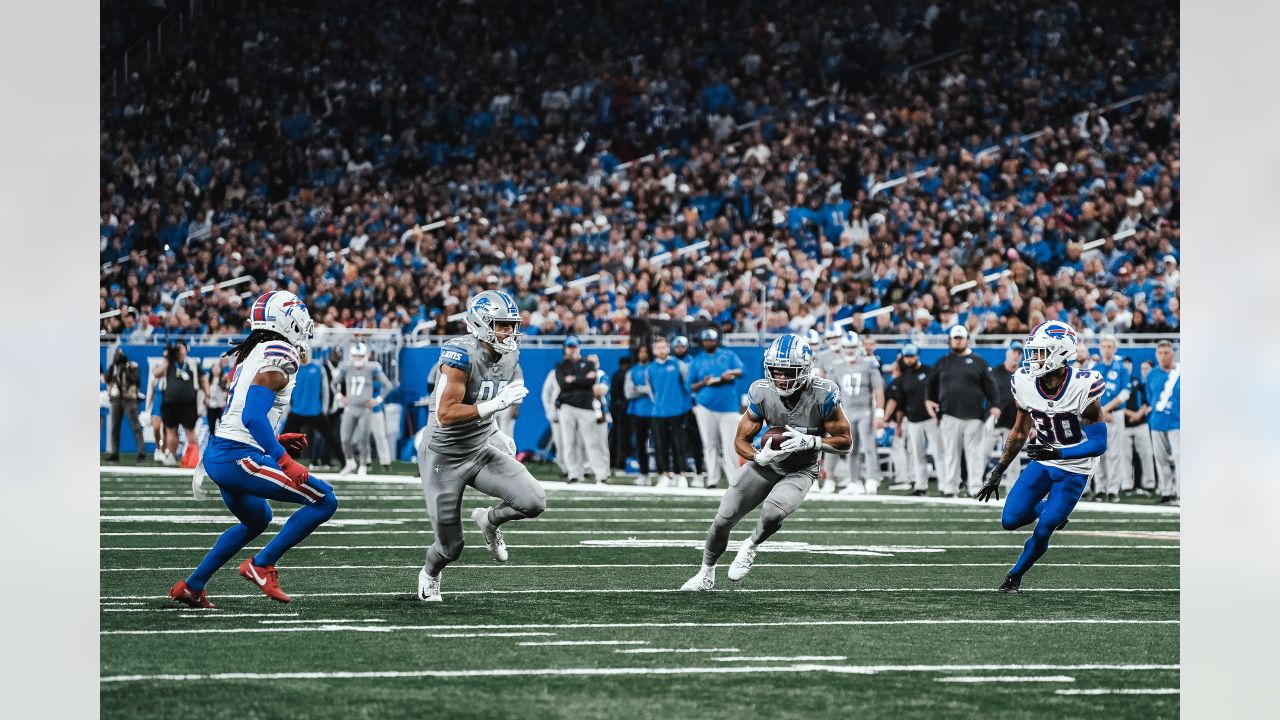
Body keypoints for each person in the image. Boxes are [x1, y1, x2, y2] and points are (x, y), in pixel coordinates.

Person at [169, 290, 338, 608]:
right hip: (238, 456)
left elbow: (244, 414)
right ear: (290, 320)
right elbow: (251, 416)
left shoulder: (257, 348)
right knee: (325, 500)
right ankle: (263, 565)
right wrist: (284, 460)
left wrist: (276, 439)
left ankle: (192, 587)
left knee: (258, 518)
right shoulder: (282, 354)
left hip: (221, 453)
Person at [680, 333, 852, 591]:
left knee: (773, 512)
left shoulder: (823, 394)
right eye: (776, 370)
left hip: (801, 469)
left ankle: (750, 546)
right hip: (768, 463)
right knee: (723, 518)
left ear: (805, 370)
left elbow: (845, 441)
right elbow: (741, 440)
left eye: (787, 371)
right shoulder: (761, 391)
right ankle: (706, 573)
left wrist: (813, 442)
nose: (780, 377)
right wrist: (757, 456)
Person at [417, 290, 545, 602]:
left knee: (533, 501)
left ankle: (488, 520)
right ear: (481, 323)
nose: (509, 332)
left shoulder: (510, 354)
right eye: (502, 325)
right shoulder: (460, 354)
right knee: (451, 547)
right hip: (443, 457)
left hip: (478, 449)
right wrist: (495, 407)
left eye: (512, 325)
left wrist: (495, 430)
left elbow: (484, 396)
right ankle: (430, 574)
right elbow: (446, 414)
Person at [975, 320, 1108, 593]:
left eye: (1040, 352)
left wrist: (1057, 451)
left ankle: (1015, 575)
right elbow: (1019, 432)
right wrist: (998, 471)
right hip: (1045, 461)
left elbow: (1098, 443)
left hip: (1075, 467)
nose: (1033, 358)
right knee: (1010, 520)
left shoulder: (1083, 385)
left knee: (1045, 527)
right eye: (1033, 352)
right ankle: (1052, 510)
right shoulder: (1024, 382)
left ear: (1059, 353)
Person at [927, 326, 1001, 497]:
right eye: (955, 338)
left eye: (961, 338)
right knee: (950, 454)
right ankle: (950, 488)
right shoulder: (943, 362)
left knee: (974, 454)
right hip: (949, 414)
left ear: (967, 339)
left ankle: (975, 488)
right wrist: (928, 402)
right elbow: (930, 384)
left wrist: (995, 405)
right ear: (950, 340)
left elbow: (992, 387)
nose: (958, 341)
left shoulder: (979, 362)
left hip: (974, 416)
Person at [825, 331, 885, 494]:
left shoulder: (868, 364)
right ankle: (853, 481)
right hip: (847, 414)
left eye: (852, 347)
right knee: (852, 449)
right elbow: (831, 393)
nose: (850, 350)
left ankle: (872, 478)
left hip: (865, 412)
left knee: (869, 447)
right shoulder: (836, 366)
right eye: (847, 347)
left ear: (858, 347)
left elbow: (878, 390)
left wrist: (879, 413)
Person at [687, 327, 746, 489]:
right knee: (709, 443)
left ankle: (734, 479)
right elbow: (691, 386)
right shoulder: (697, 360)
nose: (708, 343)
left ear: (717, 341)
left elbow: (742, 370)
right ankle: (712, 479)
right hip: (705, 405)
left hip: (728, 406)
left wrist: (730, 373)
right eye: (706, 340)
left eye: (711, 340)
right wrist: (703, 383)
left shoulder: (728, 355)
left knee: (730, 444)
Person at [332, 342, 396, 476]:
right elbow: (333, 383)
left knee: (363, 438)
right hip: (350, 408)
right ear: (351, 356)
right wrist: (340, 396)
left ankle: (363, 465)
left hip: (365, 409)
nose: (358, 359)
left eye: (360, 356)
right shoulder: (346, 367)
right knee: (345, 439)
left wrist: (377, 400)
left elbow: (388, 385)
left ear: (366, 355)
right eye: (355, 356)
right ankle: (350, 462)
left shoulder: (372, 368)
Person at [884, 344, 938, 496]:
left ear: (917, 355)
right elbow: (901, 404)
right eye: (907, 357)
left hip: (931, 419)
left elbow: (938, 393)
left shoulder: (929, 371)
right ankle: (921, 487)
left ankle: (947, 486)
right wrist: (899, 425)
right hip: (913, 420)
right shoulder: (904, 377)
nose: (909, 359)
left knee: (940, 453)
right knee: (917, 455)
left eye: (911, 356)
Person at [555, 336, 609, 484]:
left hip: (586, 406)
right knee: (569, 442)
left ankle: (601, 475)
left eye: (575, 346)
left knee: (592, 442)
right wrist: (581, 380)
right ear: (565, 348)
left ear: (579, 347)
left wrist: (573, 379)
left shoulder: (589, 363)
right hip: (567, 406)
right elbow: (563, 384)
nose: (572, 349)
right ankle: (573, 473)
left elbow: (590, 381)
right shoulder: (561, 365)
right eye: (569, 346)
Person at [646, 336, 693, 487]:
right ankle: (664, 475)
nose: (661, 350)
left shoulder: (678, 365)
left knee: (678, 444)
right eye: (658, 347)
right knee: (661, 444)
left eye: (663, 347)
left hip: (678, 411)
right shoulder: (650, 368)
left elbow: (687, 387)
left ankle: (681, 475)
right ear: (654, 351)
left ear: (668, 348)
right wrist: (659, 404)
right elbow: (651, 390)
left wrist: (685, 406)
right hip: (658, 413)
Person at [283, 355, 344, 468]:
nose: (302, 355)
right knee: (283, 440)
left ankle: (345, 463)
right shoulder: (292, 370)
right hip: (297, 412)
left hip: (316, 412)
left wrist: (324, 409)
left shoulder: (318, 369)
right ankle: (275, 463)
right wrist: (287, 410)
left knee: (331, 438)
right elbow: (287, 391)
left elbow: (325, 388)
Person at [152, 340, 206, 466]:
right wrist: (167, 359)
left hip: (188, 403)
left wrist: (207, 395)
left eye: (181, 348)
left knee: (190, 430)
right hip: (170, 403)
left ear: (186, 349)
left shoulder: (192, 363)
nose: (179, 351)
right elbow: (156, 374)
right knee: (171, 430)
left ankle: (194, 457)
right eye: (177, 348)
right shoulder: (169, 363)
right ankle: (172, 455)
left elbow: (203, 379)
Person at [1091, 335, 1131, 502]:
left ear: (1115, 348)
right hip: (1096, 414)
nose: (1106, 349)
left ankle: (1113, 489)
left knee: (1115, 452)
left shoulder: (1121, 368)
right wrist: (1100, 411)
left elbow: (1125, 392)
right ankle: (1100, 488)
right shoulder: (1095, 367)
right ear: (1100, 348)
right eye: (1104, 346)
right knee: (1098, 453)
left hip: (1115, 415)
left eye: (1109, 346)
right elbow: (1089, 393)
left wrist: (1106, 409)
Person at [1146, 340, 1180, 504]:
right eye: (1160, 353)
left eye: (1166, 353)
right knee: (1160, 458)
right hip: (1157, 421)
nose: (1163, 356)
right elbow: (1149, 396)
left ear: (1173, 354)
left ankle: (1181, 492)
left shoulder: (1181, 372)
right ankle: (1166, 491)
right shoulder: (1152, 374)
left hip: (1178, 422)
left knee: (1180, 458)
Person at [988, 340, 1024, 493]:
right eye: (1014, 352)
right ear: (1007, 353)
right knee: (981, 452)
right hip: (994, 421)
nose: (1016, 356)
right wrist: (990, 409)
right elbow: (986, 394)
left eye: (1019, 353)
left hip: (1014, 423)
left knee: (1013, 458)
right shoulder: (994, 372)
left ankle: (1013, 489)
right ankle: (975, 485)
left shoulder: (1024, 375)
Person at [672, 335, 707, 484]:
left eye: (682, 346)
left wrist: (694, 403)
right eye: (677, 346)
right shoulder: (669, 363)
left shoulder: (693, 362)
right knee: (675, 441)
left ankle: (698, 473)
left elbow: (697, 385)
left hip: (690, 407)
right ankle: (677, 472)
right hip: (674, 408)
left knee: (695, 441)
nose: (680, 349)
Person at [1121, 357, 1156, 495]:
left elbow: (1147, 402)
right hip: (1124, 424)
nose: (1127, 368)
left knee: (1147, 454)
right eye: (1125, 365)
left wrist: (1139, 414)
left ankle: (1149, 484)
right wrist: (1130, 413)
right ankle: (1126, 485)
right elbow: (1115, 402)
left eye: (1129, 365)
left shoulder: (1137, 382)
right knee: (1125, 456)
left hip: (1141, 423)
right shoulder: (1117, 383)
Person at [105, 347, 147, 462]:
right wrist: (114, 365)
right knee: (115, 427)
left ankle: (141, 452)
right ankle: (114, 453)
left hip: (130, 398)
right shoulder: (114, 367)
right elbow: (107, 379)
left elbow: (136, 380)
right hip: (116, 398)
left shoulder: (132, 366)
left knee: (136, 426)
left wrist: (126, 368)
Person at [625, 344, 657, 486]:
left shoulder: (655, 368)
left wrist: (639, 388)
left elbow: (657, 391)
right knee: (640, 443)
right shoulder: (632, 371)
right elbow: (628, 392)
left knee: (660, 443)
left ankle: (663, 474)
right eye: (641, 352)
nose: (643, 354)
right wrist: (645, 389)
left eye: (645, 351)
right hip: (637, 411)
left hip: (655, 411)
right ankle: (644, 474)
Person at [608, 355, 635, 474]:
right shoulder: (626, 375)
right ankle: (621, 463)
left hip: (616, 409)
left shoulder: (615, 374)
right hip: (624, 410)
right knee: (623, 438)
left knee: (616, 437)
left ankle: (614, 461)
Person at [541, 367, 569, 479]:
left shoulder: (580, 371)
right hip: (558, 412)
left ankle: (583, 468)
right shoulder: (555, 372)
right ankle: (565, 468)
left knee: (577, 442)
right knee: (560, 441)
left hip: (575, 411)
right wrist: (550, 411)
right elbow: (546, 393)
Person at [204, 356, 233, 433]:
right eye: (214, 368)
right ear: (211, 369)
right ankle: (211, 440)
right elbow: (204, 393)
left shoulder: (225, 379)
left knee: (222, 426)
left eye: (218, 368)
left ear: (220, 369)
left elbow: (228, 392)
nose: (216, 369)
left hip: (221, 406)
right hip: (211, 406)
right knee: (211, 427)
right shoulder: (208, 380)